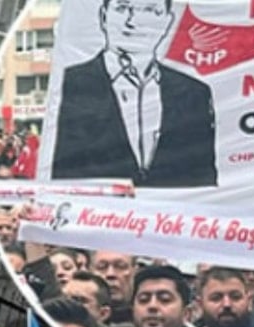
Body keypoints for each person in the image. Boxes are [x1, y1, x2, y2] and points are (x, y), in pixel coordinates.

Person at [50, 0, 217, 187]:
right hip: (100, 213)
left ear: (167, 22)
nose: (133, 21)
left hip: (171, 213)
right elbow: (63, 170)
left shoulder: (194, 93)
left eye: (150, 10)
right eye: (122, 8)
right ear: (104, 16)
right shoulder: (70, 83)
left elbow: (203, 177)